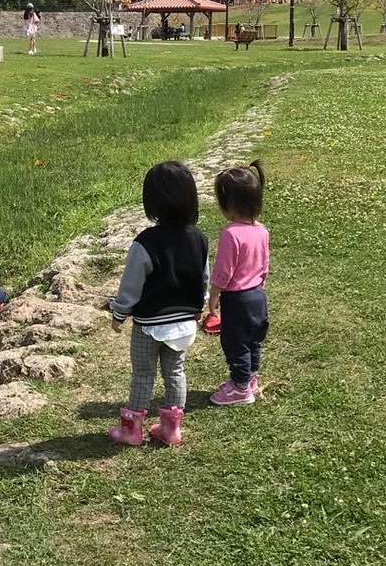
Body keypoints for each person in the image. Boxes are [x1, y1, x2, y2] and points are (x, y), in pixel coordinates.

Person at [108, 161, 208, 447]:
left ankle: (132, 430)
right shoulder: (199, 238)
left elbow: (131, 285)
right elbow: (202, 277)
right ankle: (171, 429)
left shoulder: (145, 243)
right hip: (183, 323)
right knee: (175, 371)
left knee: (143, 374)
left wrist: (119, 313)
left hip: (149, 326)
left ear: (151, 202)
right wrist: (198, 306)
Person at [208, 161, 270, 407]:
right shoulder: (261, 230)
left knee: (236, 343)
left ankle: (240, 387)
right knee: (253, 340)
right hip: (257, 295)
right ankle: (251, 378)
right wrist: (260, 284)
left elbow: (223, 271)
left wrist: (214, 296)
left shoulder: (231, 233)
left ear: (227, 205)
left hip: (237, 298)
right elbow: (265, 264)